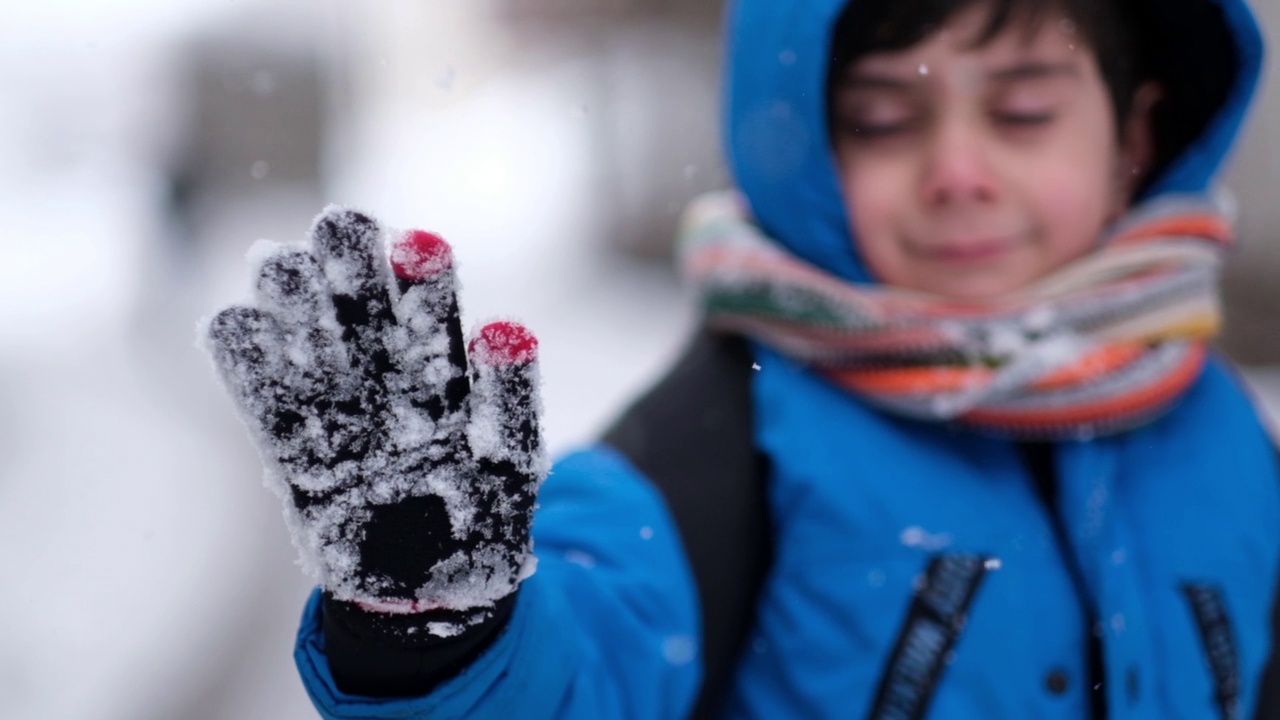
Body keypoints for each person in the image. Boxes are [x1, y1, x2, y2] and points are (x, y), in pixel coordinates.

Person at [204, 0, 1280, 717]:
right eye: (882, 119)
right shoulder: (721, 442)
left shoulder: (1218, 426)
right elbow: (590, 671)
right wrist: (435, 629)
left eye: (1023, 111)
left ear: (1133, 134)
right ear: (799, 145)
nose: (958, 170)